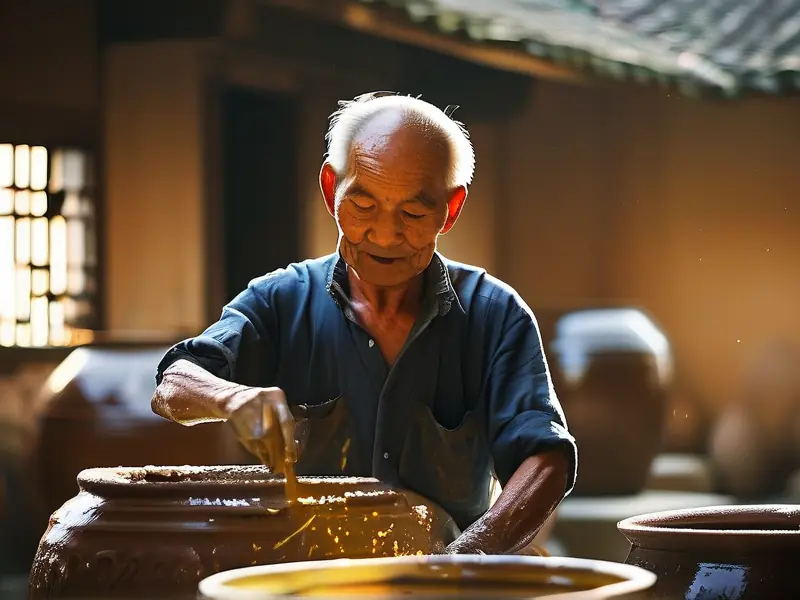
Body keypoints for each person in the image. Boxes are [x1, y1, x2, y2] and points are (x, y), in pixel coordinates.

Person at [151, 92, 577, 555]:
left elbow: (545, 457)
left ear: (450, 210)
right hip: (303, 583)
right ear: (331, 188)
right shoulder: (280, 300)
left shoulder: (494, 314)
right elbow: (173, 384)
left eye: (413, 213)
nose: (385, 234)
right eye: (363, 206)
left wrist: (467, 558)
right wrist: (231, 398)